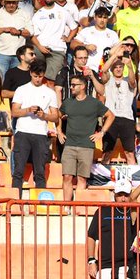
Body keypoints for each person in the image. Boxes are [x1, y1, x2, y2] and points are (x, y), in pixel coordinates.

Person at [58, 74, 114, 203]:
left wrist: (102, 132)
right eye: (71, 85)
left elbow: (110, 116)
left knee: (82, 178)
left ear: (83, 86)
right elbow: (57, 116)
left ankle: (78, 206)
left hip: (86, 146)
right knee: (67, 177)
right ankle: (66, 206)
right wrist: (59, 131)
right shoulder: (67, 102)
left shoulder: (94, 103)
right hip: (69, 145)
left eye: (74, 85)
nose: (71, 87)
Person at [9, 60, 59, 197]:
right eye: (35, 76)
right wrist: (28, 110)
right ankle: (15, 203)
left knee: (40, 173)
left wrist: (44, 115)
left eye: (40, 76)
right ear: (30, 73)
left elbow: (55, 117)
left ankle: (39, 204)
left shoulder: (50, 92)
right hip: (23, 133)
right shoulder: (21, 89)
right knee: (18, 171)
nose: (38, 79)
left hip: (40, 134)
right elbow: (14, 112)